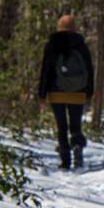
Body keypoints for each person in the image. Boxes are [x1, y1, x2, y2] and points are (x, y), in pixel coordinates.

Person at [38, 15, 95, 169]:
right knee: (76, 125)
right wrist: (89, 92)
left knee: (61, 127)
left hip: (56, 92)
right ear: (74, 27)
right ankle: (77, 147)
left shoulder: (51, 45)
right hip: (78, 92)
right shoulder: (81, 45)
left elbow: (46, 70)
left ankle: (65, 161)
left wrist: (42, 95)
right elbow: (89, 69)